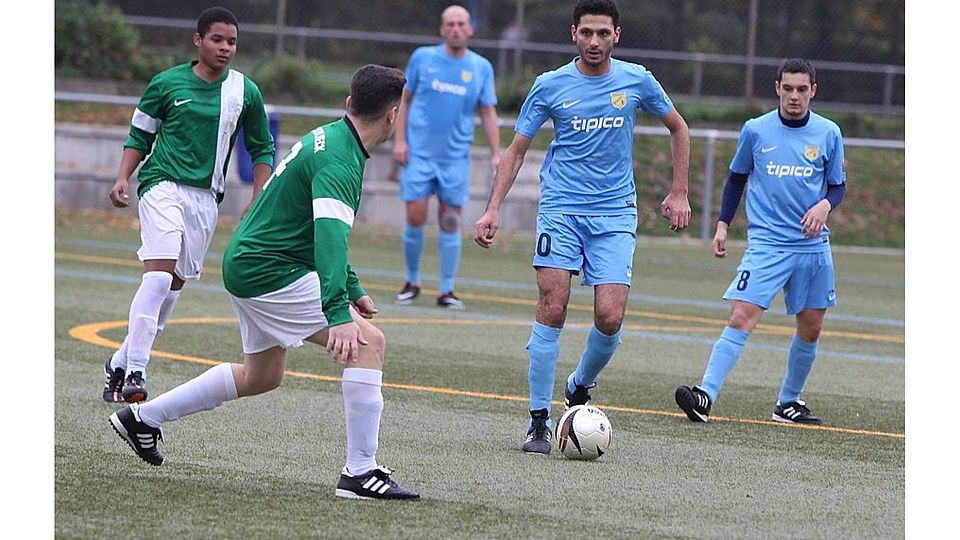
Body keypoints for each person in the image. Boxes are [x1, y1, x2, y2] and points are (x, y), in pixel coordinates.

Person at [109, 64, 421, 501]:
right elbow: (329, 237)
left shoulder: (332, 138)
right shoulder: (341, 159)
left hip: (252, 263)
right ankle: (360, 472)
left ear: (349, 103)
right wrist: (339, 312)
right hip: (268, 270)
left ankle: (143, 419)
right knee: (369, 344)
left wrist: (351, 288)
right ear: (393, 115)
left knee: (262, 375)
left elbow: (313, 229)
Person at [473, 0, 691, 455]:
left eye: (603, 34)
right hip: (561, 210)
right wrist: (493, 207)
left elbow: (679, 128)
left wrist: (679, 192)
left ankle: (578, 385)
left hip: (614, 215)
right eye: (587, 33)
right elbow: (515, 151)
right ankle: (538, 420)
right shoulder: (549, 86)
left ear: (617, 36)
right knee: (553, 307)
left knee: (610, 318)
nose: (595, 42)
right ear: (573, 34)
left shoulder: (636, 80)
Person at [103, 7, 275, 404]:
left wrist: (259, 195)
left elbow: (262, 147)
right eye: (217, 40)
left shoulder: (245, 91)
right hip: (161, 186)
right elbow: (139, 137)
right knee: (160, 276)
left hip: (205, 200)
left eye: (232, 42)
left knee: (171, 292)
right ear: (198, 41)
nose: (225, 48)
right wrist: (123, 178)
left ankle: (118, 361)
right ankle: (136, 372)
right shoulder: (166, 84)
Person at [674, 58, 847, 426]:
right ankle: (705, 395)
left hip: (812, 247)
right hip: (767, 245)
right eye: (788, 89)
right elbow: (736, 178)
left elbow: (837, 185)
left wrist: (825, 205)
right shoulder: (756, 130)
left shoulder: (829, 133)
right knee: (740, 316)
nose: (795, 96)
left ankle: (788, 402)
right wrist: (722, 225)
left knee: (811, 328)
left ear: (813, 90)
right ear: (777, 89)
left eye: (802, 89)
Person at [392, 4, 501, 309]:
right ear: (442, 29)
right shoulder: (422, 58)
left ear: (470, 29)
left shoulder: (481, 67)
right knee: (415, 215)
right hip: (419, 154)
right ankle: (412, 281)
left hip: (454, 158)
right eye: (450, 23)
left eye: (461, 24)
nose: (455, 28)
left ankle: (446, 289)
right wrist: (400, 141)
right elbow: (405, 99)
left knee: (450, 220)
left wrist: (496, 153)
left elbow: (489, 112)